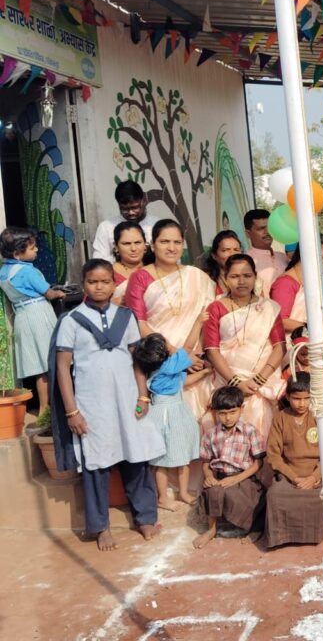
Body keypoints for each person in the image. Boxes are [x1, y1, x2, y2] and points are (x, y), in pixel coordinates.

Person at [51, 259, 163, 550]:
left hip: (127, 400)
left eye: (105, 281)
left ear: (114, 284)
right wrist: (72, 410)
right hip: (91, 404)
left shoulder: (126, 317)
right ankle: (100, 527)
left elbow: (137, 360)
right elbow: (63, 368)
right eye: (92, 281)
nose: (99, 287)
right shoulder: (71, 321)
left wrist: (142, 395)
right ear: (84, 283)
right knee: (97, 464)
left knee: (136, 458)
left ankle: (146, 517)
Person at [201, 254, 286, 441]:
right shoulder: (215, 308)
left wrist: (259, 380)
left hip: (260, 386)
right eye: (235, 276)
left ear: (255, 277)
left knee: (262, 437)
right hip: (226, 383)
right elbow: (211, 350)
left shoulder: (269, 307)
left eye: (247, 276)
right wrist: (236, 383)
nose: (241, 281)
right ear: (225, 278)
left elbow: (280, 346)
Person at [134, 333, 204, 510]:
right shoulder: (169, 366)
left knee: (164, 461)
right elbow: (188, 347)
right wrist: (198, 322)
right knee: (177, 460)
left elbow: (184, 382)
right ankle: (169, 496)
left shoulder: (158, 370)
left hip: (164, 414)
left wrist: (205, 372)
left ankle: (173, 494)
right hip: (171, 415)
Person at [124, 219, 214, 356]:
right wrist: (177, 355)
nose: (172, 248)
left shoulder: (197, 276)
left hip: (196, 357)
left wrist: (197, 352)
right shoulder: (139, 278)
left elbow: (208, 319)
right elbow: (139, 324)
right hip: (157, 356)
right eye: (164, 242)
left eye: (177, 242)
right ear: (153, 245)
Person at [194, 386, 266, 549]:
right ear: (215, 412)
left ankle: (252, 529)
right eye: (222, 413)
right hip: (220, 476)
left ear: (241, 409)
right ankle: (211, 530)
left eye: (232, 412)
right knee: (213, 490)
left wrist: (236, 478)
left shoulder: (249, 431)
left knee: (243, 497)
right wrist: (209, 476)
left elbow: (259, 462)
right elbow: (206, 462)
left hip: (244, 477)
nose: (228, 418)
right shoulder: (211, 434)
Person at [0, 227, 66, 409]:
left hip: (22, 317)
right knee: (51, 362)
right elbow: (49, 293)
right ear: (17, 253)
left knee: (39, 368)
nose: (36, 249)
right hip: (39, 314)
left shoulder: (4, 272)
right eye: (32, 247)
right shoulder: (29, 272)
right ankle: (58, 407)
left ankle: (44, 408)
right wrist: (59, 292)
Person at [264, 373, 323, 547]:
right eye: (297, 399)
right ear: (288, 397)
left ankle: (311, 536)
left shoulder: (319, 417)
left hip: (315, 473)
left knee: (318, 496)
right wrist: (294, 477)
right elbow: (274, 455)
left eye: (307, 398)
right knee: (275, 495)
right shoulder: (280, 418)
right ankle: (282, 537)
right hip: (289, 474)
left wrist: (314, 478)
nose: (302, 403)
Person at [90, 180, 159, 263]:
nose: (131, 213)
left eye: (135, 207)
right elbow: (98, 262)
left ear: (144, 200)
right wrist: (120, 257)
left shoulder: (157, 225)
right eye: (124, 209)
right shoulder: (106, 227)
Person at [243, 209, 288, 297]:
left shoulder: (284, 257)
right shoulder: (245, 262)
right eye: (261, 229)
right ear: (248, 234)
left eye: (269, 227)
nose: (267, 232)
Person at [111, 221, 148, 305]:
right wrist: (111, 304)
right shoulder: (107, 274)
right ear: (116, 247)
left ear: (145, 245)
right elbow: (89, 307)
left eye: (138, 242)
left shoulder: (156, 270)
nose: (133, 248)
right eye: (126, 244)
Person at [204, 230, 242, 295]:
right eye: (225, 250)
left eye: (236, 250)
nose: (232, 254)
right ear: (214, 255)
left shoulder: (253, 279)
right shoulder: (205, 280)